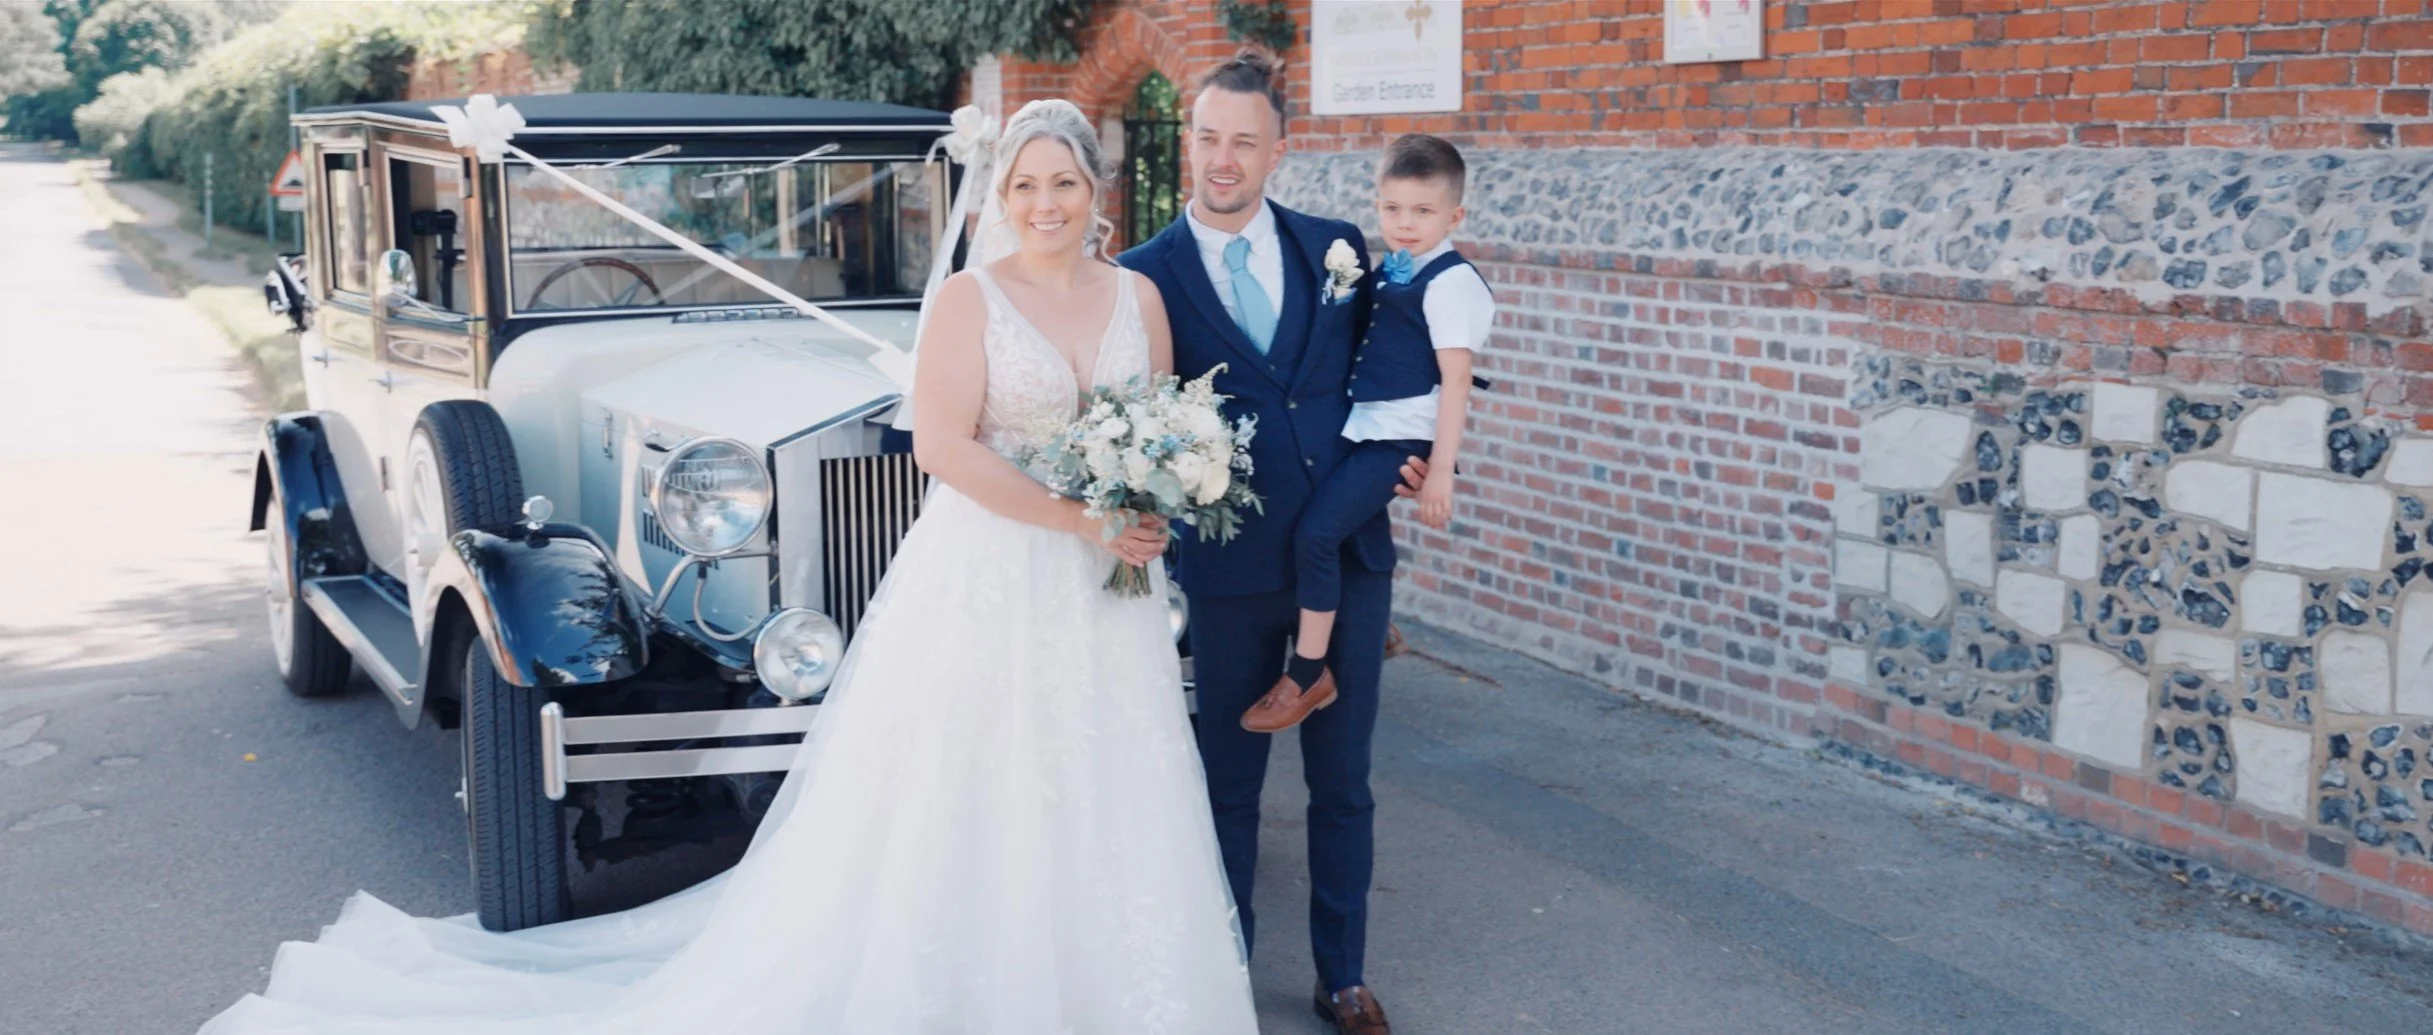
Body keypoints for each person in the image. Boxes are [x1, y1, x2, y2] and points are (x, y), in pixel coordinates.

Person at [196, 99, 1259, 1035]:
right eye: (1024, 184)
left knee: (1109, 778)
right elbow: (940, 448)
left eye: (1063, 182)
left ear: (1095, 190)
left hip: (1102, 589)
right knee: (979, 780)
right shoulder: (968, 300)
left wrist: (1147, 499)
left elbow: (1154, 423)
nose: (1044, 201)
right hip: (1002, 568)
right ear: (1003, 197)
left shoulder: (1138, 298)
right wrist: (1078, 517)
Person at [1119, 49, 1424, 1035]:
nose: (1223, 158)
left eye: (1244, 142)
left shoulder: (1335, 248)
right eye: (1208, 137)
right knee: (1229, 788)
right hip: (1229, 568)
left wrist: (1414, 453)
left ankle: (1343, 977)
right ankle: (1226, 976)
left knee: (1343, 783)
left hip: (1349, 553)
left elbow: (1396, 364)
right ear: (1190, 140)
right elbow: (1132, 413)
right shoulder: (1142, 276)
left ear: (1278, 150)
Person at [1252, 133, 1488, 732]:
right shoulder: (1398, 267)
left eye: (1423, 211)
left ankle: (1309, 672)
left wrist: (1440, 470)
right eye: (1392, 208)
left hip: (1400, 440)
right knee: (1316, 516)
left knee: (1316, 535)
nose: (1404, 223)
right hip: (1364, 428)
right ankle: (1368, 626)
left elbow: (1457, 379)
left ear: (1454, 216)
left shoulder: (1451, 282)